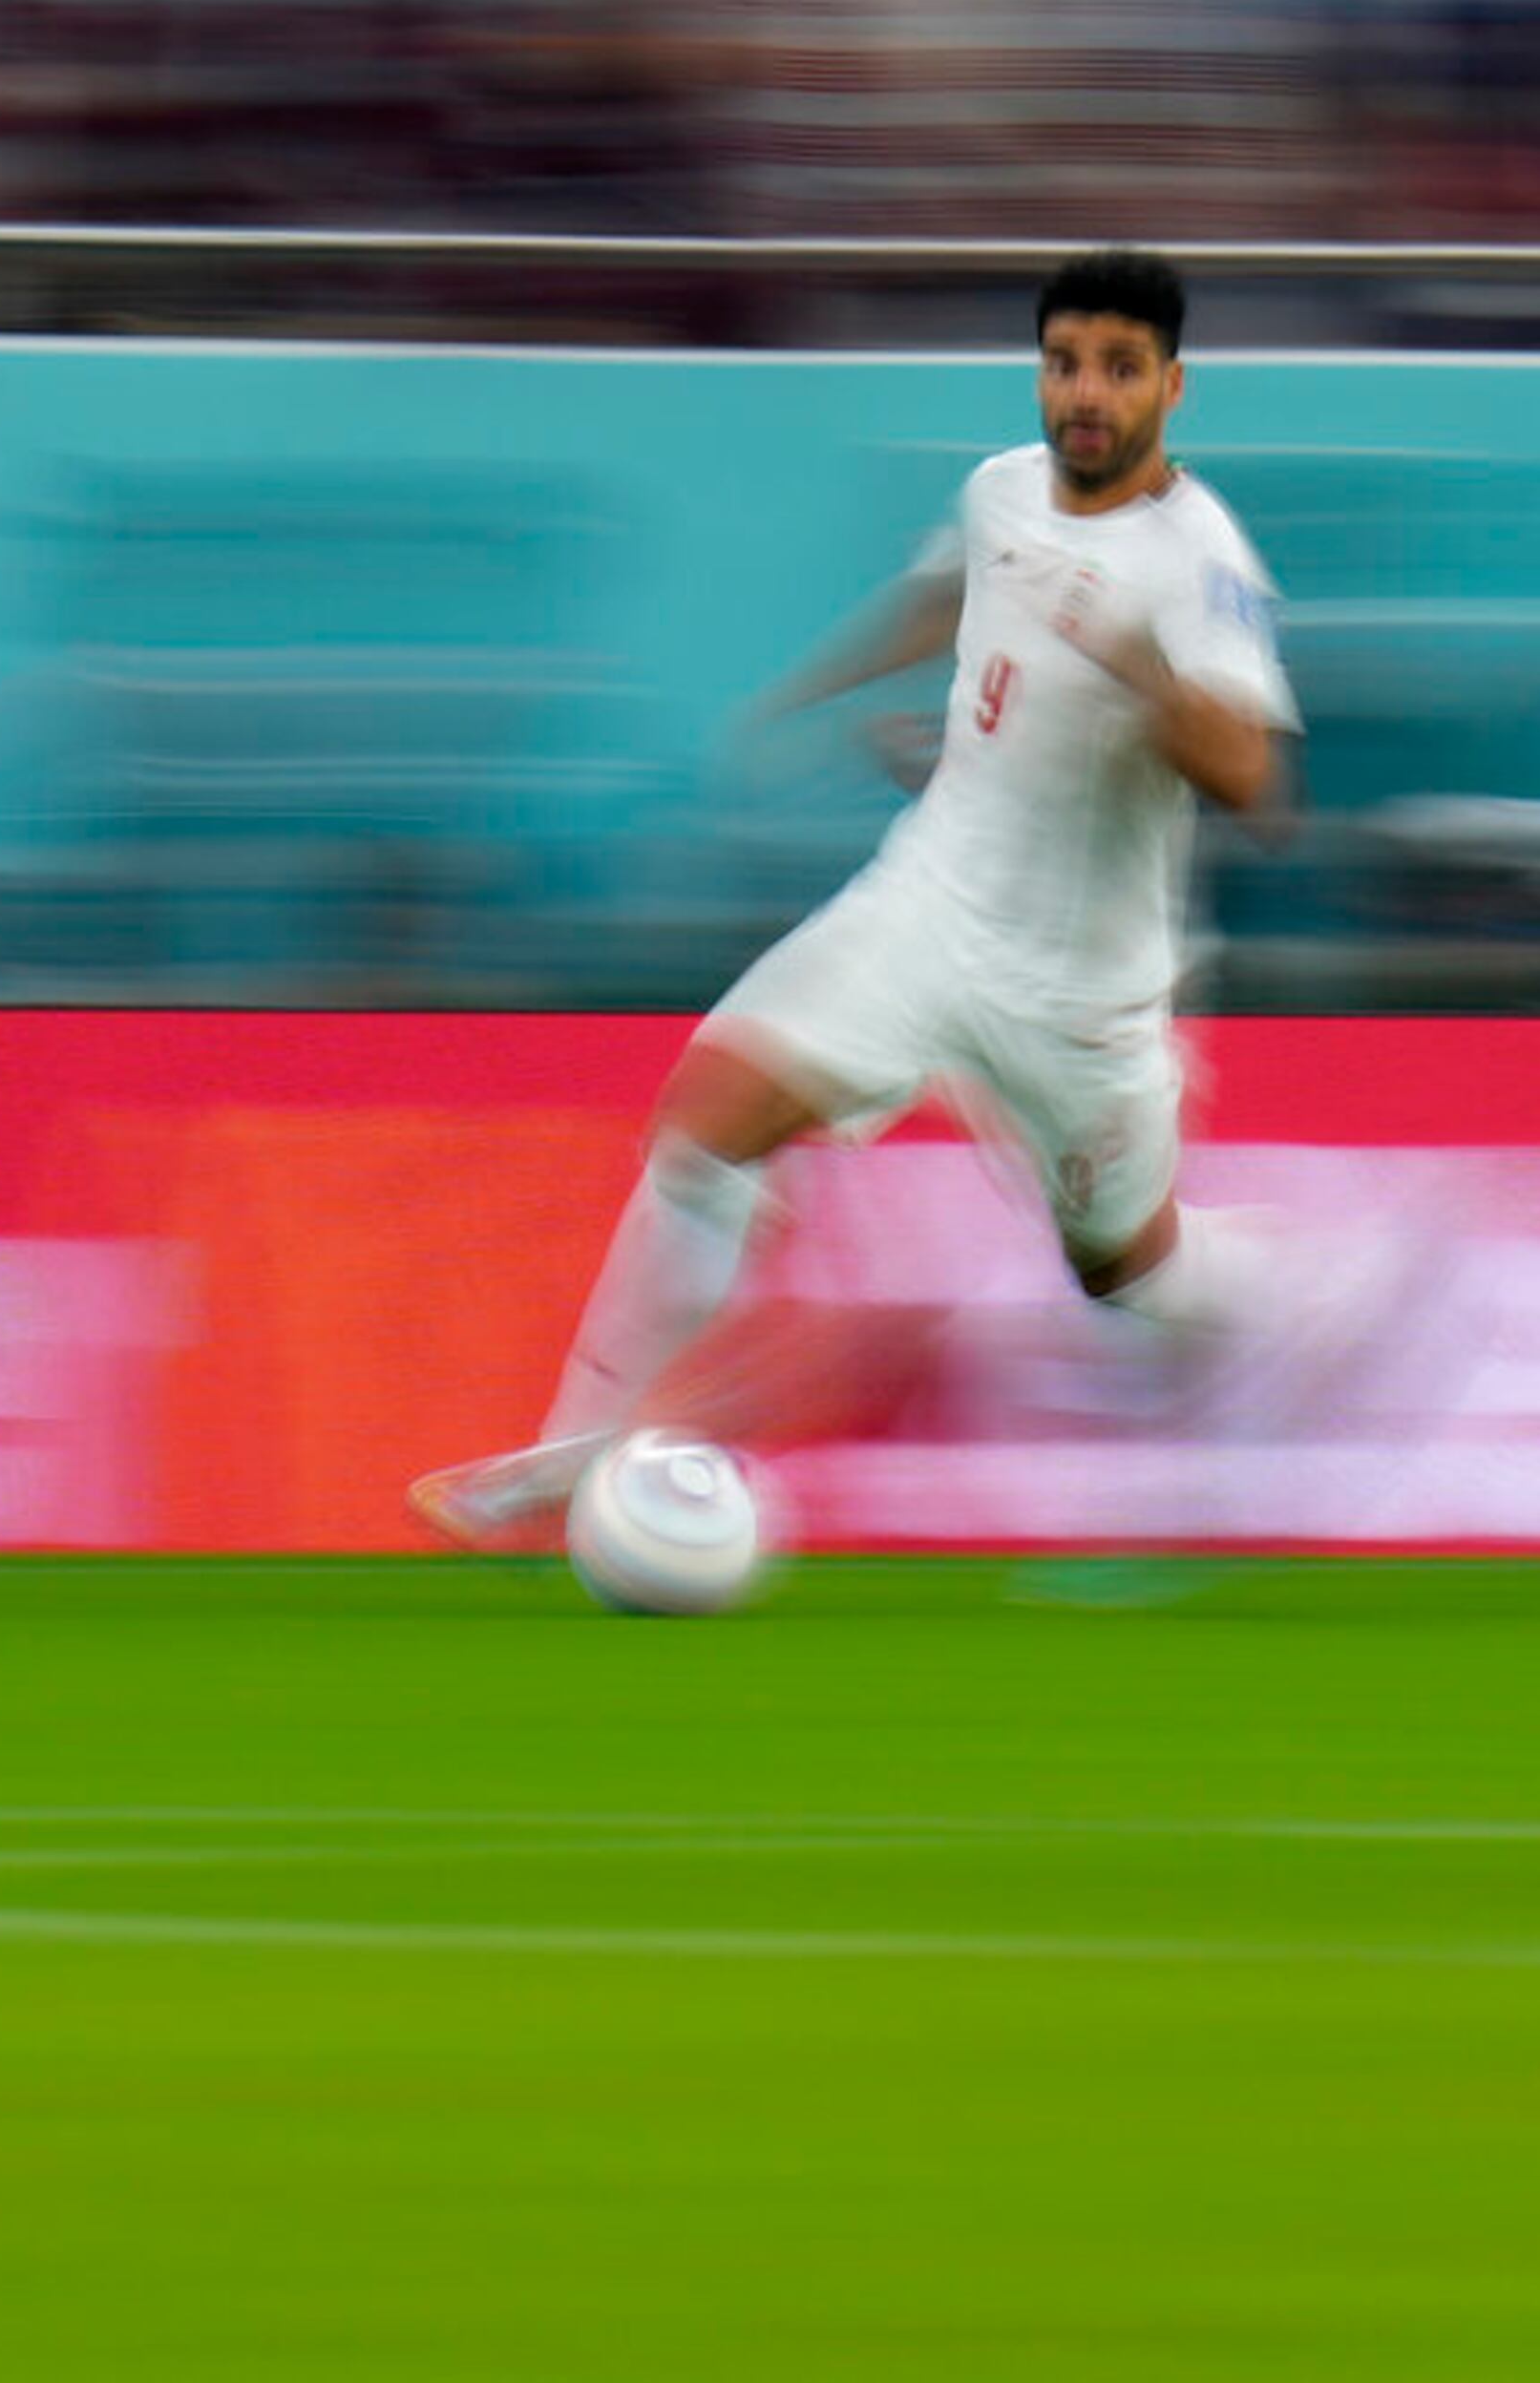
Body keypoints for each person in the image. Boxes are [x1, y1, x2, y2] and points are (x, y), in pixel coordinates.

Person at [412, 247, 1305, 1546]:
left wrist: (1128, 660)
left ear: (1175, 385)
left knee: (1130, 1274)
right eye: (1064, 364)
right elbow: (956, 594)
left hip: (1082, 1000)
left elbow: (1252, 782)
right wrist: (821, 694)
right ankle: (568, 1465)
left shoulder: (1201, 558)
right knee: (708, 1120)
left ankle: (1311, 1297)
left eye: (1120, 368)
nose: (1086, 395)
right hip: (928, 906)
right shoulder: (1002, 491)